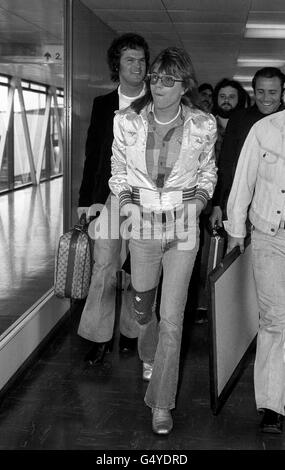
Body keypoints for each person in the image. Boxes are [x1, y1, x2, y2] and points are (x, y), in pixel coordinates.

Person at [109, 47, 217, 434]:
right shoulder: (127, 121)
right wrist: (126, 205)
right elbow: (118, 171)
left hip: (183, 229)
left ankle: (160, 404)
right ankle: (148, 352)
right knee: (143, 310)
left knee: (172, 319)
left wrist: (199, 204)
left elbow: (207, 174)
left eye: (168, 80)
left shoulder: (203, 125)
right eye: (155, 77)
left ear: (184, 85)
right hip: (142, 227)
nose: (158, 85)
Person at [77, 33, 150, 365]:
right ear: (116, 65)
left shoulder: (157, 102)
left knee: (140, 270)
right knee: (105, 266)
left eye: (141, 59)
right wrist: (86, 202)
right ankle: (98, 336)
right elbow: (93, 156)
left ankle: (132, 332)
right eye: (130, 59)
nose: (137, 65)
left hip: (149, 200)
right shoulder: (103, 105)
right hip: (110, 197)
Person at [224, 108, 285, 434]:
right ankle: (273, 405)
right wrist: (236, 230)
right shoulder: (265, 129)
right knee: (275, 319)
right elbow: (243, 178)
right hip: (270, 235)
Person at [210, 67, 285, 230]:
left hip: (274, 212)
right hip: (238, 207)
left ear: (282, 92)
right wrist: (218, 204)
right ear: (253, 91)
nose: (266, 98)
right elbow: (226, 164)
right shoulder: (239, 119)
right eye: (260, 91)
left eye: (272, 92)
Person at [212, 78, 247, 163]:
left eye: (231, 97)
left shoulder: (246, 127)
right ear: (216, 99)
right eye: (222, 96)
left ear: (239, 99)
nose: (226, 100)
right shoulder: (206, 126)